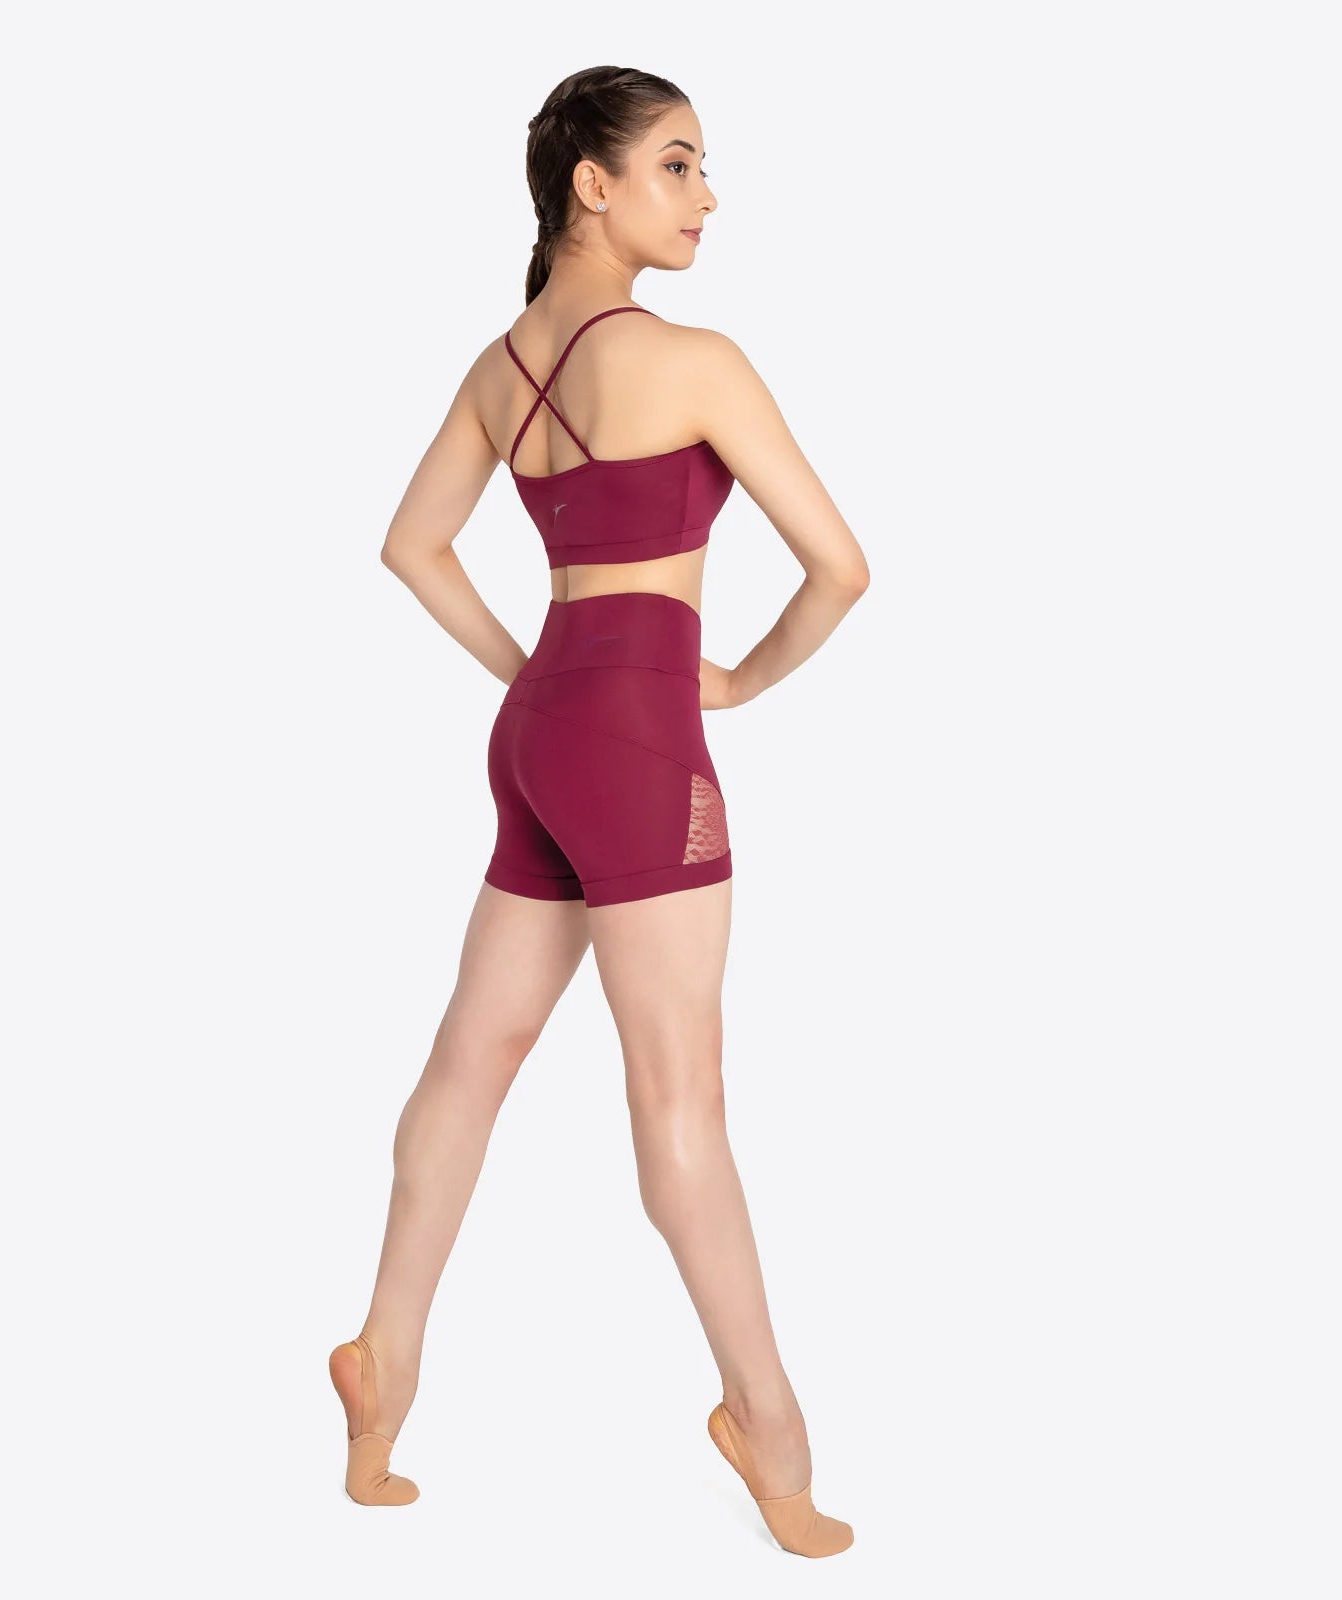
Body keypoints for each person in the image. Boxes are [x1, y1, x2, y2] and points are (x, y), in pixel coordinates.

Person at [330, 64, 870, 1558]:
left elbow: (412, 544)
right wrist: (737, 681)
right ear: (595, 183)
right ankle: (771, 1431)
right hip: (639, 746)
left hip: (540, 734)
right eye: (679, 165)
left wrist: (539, 678)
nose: (708, 196)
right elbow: (842, 567)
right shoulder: (692, 360)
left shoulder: (500, 368)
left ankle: (383, 1372)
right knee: (681, 1102)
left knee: (470, 1060)